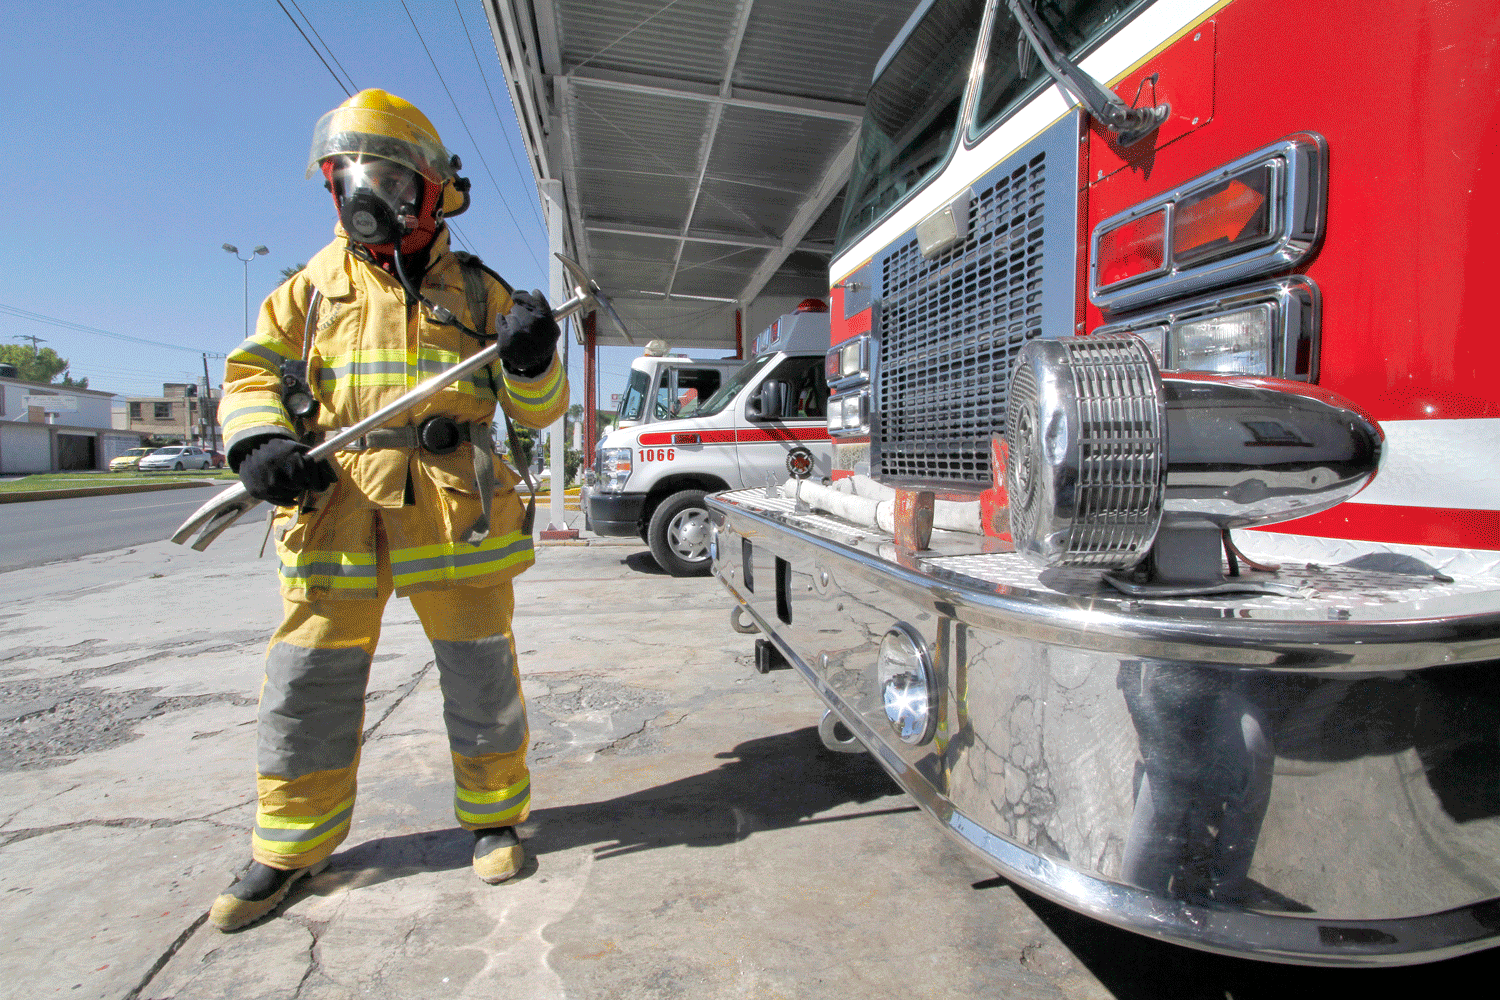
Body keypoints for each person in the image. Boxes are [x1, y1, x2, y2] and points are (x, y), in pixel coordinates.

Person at [208, 89, 567, 931]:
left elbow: (541, 410)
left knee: (481, 677)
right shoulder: (305, 292)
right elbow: (251, 376)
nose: (367, 197)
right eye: (351, 179)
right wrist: (259, 440)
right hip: (333, 513)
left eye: (391, 181)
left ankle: (496, 818)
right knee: (308, 682)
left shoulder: (481, 293)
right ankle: (290, 846)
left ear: (433, 192)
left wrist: (531, 359)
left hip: (452, 519)